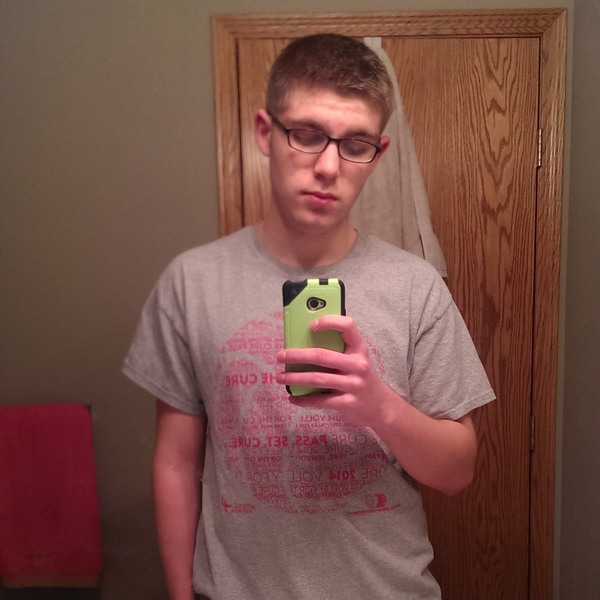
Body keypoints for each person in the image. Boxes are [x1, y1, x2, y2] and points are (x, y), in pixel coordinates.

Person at [123, 33, 495, 600]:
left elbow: (458, 472)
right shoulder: (192, 283)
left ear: (378, 154)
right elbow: (176, 462)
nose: (328, 167)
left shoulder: (414, 287)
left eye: (355, 144)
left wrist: (380, 406)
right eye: (308, 134)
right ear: (265, 133)